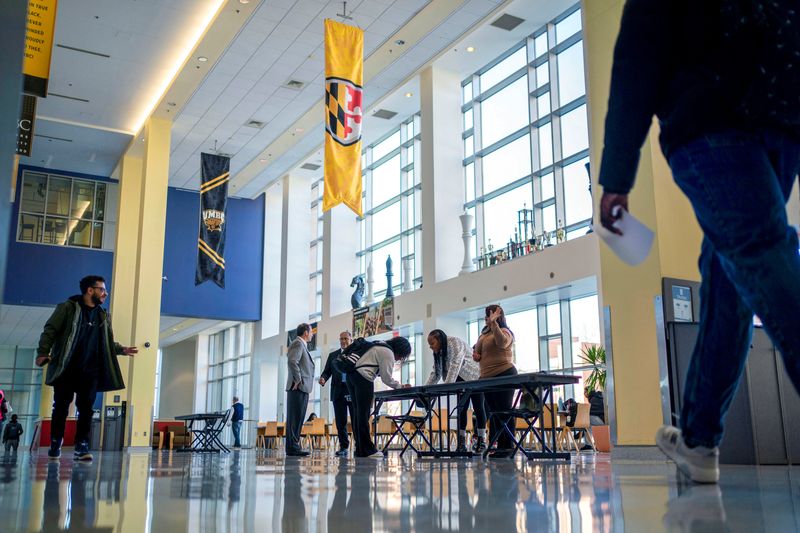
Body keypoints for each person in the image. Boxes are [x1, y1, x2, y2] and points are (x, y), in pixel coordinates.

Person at [598, 0, 800, 484]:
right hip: (778, 115)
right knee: (730, 274)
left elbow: (637, 65)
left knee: (759, 252)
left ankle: (700, 438)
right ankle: (700, 438)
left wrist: (616, 178)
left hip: (712, 118)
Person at [35, 275, 138, 461]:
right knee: (61, 407)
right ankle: (56, 442)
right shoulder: (67, 308)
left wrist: (121, 349)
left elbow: (106, 342)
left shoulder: (102, 315)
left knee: (86, 409)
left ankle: (81, 445)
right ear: (90, 290)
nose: (105, 294)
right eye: (102, 290)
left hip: (90, 370)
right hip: (66, 367)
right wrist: (43, 352)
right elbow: (50, 330)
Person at [346, 336, 412, 458]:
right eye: (402, 357)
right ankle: (369, 450)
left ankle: (360, 449)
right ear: (400, 351)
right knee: (364, 415)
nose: (399, 359)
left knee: (358, 414)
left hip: (351, 376)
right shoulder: (388, 353)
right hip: (363, 378)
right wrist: (400, 386)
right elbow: (386, 378)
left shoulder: (379, 345)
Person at [425, 329, 486, 453]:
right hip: (459, 379)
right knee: (461, 409)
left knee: (478, 407)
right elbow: (436, 373)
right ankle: (461, 441)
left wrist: (447, 386)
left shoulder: (454, 343)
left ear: (439, 340)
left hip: (474, 377)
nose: (430, 347)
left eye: (432, 343)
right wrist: (426, 389)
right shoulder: (439, 352)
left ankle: (481, 439)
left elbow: (455, 365)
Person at [473, 304, 517, 459]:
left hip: (504, 373)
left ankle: (507, 447)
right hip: (487, 378)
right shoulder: (484, 334)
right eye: (486, 316)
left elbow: (502, 343)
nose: (487, 319)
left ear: (498, 317)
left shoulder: (505, 331)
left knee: (504, 411)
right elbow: (477, 351)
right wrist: (476, 355)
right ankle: (496, 445)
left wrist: (494, 324)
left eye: (490, 315)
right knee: (494, 413)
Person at [320, 330, 355, 457]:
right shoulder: (333, 355)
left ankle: (359, 446)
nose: (343, 341)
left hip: (352, 390)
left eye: (345, 338)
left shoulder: (356, 354)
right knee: (341, 421)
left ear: (351, 339)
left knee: (356, 419)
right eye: (341, 339)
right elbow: (327, 371)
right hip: (337, 392)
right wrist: (323, 378)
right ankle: (344, 447)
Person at [285, 323, 315, 457]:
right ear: (306, 332)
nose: (313, 334)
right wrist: (298, 380)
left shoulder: (301, 344)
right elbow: (292, 361)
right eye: (311, 332)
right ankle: (293, 447)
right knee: (295, 419)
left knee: (298, 418)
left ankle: (293, 447)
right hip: (298, 386)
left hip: (302, 387)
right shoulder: (298, 343)